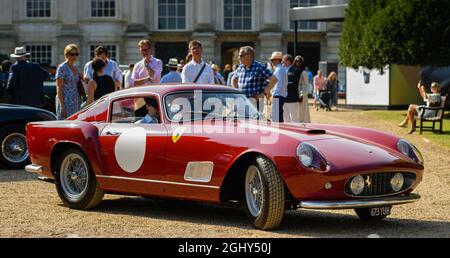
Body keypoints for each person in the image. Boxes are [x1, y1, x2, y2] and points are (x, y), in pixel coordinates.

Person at [232, 46, 277, 111]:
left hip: (255, 102)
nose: (238, 57)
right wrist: (237, 93)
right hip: (242, 101)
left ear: (248, 56)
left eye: (241, 55)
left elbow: (274, 79)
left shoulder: (259, 66)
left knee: (255, 121)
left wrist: (264, 93)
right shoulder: (240, 67)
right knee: (242, 121)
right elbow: (233, 79)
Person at [55, 44, 82, 119]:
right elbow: (59, 88)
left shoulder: (75, 67)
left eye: (76, 54)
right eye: (72, 54)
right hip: (65, 102)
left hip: (76, 101)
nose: (74, 56)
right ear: (66, 55)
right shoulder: (62, 68)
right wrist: (62, 106)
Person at [269, 52, 288, 123]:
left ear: (277, 60)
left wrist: (274, 94)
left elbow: (278, 84)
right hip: (279, 94)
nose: (271, 61)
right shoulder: (279, 69)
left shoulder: (279, 69)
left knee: (276, 115)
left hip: (278, 95)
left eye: (273, 60)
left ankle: (278, 130)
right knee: (277, 114)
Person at [283, 54, 302, 123]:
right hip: (283, 96)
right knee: (285, 117)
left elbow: (294, 83)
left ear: (288, 61)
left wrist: (284, 85)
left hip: (292, 97)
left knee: (294, 117)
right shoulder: (282, 70)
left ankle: (296, 131)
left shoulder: (296, 70)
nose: (282, 62)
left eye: (284, 60)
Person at [295, 56, 311, 123]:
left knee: (303, 108)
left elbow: (306, 84)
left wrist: (302, 94)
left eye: (300, 61)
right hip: (294, 92)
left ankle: (303, 121)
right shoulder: (294, 70)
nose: (298, 63)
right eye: (297, 61)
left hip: (302, 93)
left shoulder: (304, 72)